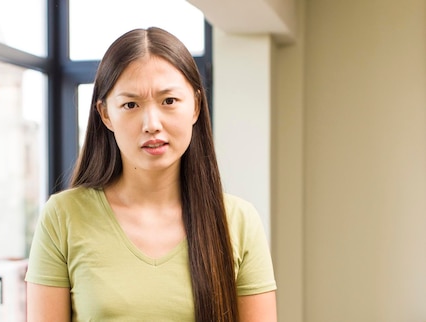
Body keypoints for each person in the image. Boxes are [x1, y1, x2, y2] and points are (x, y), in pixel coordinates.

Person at [25, 27, 277, 322]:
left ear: (195, 105)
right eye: (130, 105)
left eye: (168, 101)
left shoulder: (239, 221)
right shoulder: (63, 217)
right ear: (105, 114)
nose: (152, 123)